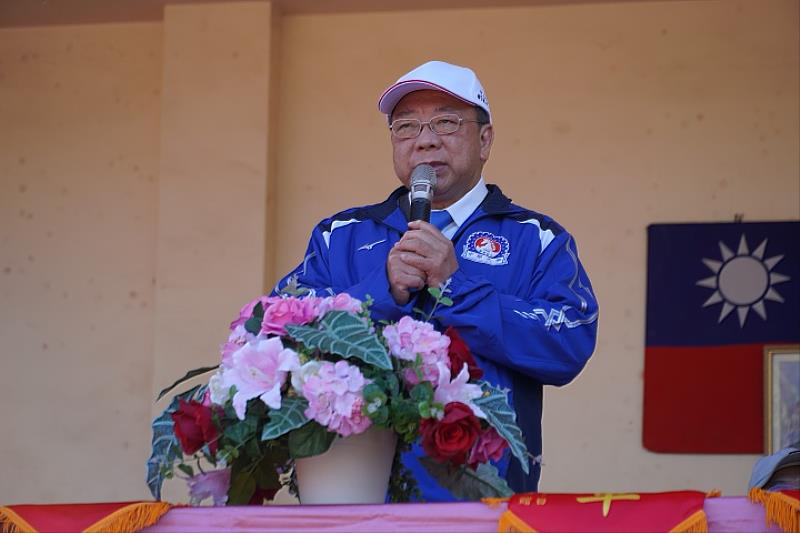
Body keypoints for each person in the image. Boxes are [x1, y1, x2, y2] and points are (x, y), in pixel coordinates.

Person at [273, 60, 599, 500]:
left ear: (485, 140)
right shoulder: (340, 236)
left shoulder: (536, 239)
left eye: (446, 122)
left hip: (488, 502)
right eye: (405, 127)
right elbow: (278, 336)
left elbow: (569, 342)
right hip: (355, 501)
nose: (424, 140)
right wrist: (380, 289)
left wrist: (455, 287)